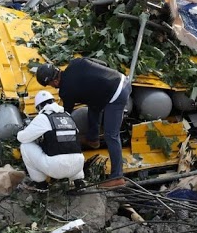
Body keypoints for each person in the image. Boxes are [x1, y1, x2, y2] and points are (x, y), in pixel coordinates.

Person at [36, 59, 131, 189]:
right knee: (93, 105)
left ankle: (117, 177)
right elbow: (103, 64)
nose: (53, 87)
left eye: (51, 85)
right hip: (120, 79)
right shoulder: (75, 63)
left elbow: (64, 116)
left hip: (117, 94)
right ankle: (93, 139)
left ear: (55, 81)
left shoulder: (66, 91)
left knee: (111, 135)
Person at [16, 90, 85, 191]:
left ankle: (41, 185)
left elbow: (22, 138)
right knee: (71, 147)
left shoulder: (43, 117)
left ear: (39, 107)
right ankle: (78, 182)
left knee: (25, 146)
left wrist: (21, 131)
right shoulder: (67, 115)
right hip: (78, 166)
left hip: (56, 169)